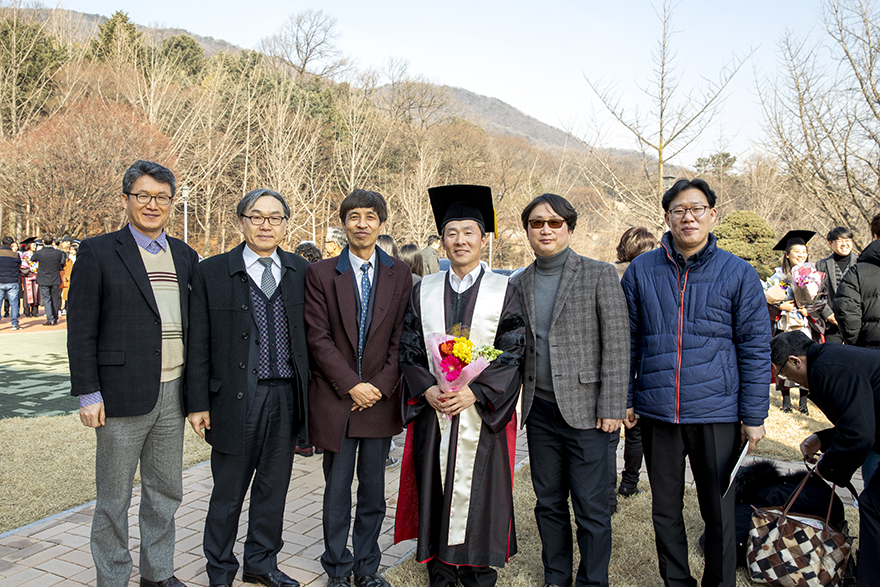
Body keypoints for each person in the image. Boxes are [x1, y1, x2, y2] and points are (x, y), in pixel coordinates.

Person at [620, 178, 771, 587]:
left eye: (697, 208)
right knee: (664, 510)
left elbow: (756, 347)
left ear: (712, 214)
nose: (688, 217)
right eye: (679, 210)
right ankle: (677, 582)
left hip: (718, 412)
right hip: (658, 411)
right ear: (667, 217)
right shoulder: (641, 271)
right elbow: (628, 341)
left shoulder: (738, 273)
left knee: (719, 510)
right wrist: (626, 399)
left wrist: (754, 414)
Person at [67, 160, 200, 587]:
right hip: (121, 394)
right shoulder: (98, 251)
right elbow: (82, 328)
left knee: (165, 494)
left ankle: (158, 575)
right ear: (126, 198)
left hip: (172, 392)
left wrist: (196, 398)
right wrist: (88, 393)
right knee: (113, 498)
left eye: (161, 197)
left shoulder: (185, 254)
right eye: (142, 195)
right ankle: (113, 577)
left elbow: (196, 327)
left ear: (171, 202)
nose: (152, 204)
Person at [395, 184, 524, 587]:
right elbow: (409, 346)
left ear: (483, 239)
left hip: (480, 411)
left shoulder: (506, 290)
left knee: (480, 489)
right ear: (442, 240)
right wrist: (426, 389)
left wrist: (476, 391)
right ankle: (441, 569)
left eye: (469, 232)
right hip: (437, 411)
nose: (460, 240)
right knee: (437, 483)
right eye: (452, 233)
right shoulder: (425, 289)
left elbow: (513, 349)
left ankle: (476, 571)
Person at [186, 189, 309, 587]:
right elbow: (198, 341)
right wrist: (197, 402)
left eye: (275, 218)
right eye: (256, 217)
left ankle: (262, 563)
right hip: (235, 399)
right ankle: (220, 570)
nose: (265, 225)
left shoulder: (300, 271)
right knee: (228, 492)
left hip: (286, 396)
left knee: (273, 489)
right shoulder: (211, 272)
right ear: (241, 221)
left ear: (285, 224)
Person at [513, 193, 629, 587]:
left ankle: (593, 582)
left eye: (554, 223)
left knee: (592, 508)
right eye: (537, 223)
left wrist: (613, 405)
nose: (545, 229)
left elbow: (617, 343)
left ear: (569, 228)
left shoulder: (598, 274)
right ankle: (556, 577)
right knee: (548, 505)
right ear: (527, 230)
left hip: (589, 412)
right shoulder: (519, 281)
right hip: (541, 411)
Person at [305, 189, 412, 587]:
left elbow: (403, 336)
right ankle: (336, 566)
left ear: (381, 223)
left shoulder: (399, 273)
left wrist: (379, 387)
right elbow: (317, 338)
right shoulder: (321, 273)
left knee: (372, 491)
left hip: (379, 401)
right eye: (354, 217)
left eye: (370, 216)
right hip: (337, 399)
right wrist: (352, 385)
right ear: (344, 223)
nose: (362, 223)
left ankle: (366, 566)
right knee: (336, 491)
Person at [770, 330, 880, 587]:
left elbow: (860, 435)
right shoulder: (830, 359)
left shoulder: (826, 369)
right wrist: (822, 438)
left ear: (796, 361)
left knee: (874, 506)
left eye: (783, 372)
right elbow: (863, 418)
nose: (785, 379)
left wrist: (826, 468)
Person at [609, 227, 657, 507]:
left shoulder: (607, 273)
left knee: (610, 432)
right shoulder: (647, 275)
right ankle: (629, 482)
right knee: (634, 429)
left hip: (608, 361)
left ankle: (608, 490)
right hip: (636, 361)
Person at [763, 230, 824, 414]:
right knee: (784, 358)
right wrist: (781, 307)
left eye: (804, 251)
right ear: (787, 254)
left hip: (805, 325)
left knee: (806, 358)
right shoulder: (778, 276)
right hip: (785, 324)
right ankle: (786, 401)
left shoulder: (812, 276)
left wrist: (809, 309)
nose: (801, 254)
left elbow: (822, 300)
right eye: (797, 251)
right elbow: (768, 298)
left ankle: (803, 403)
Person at [834, 212, 880, 350]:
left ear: (875, 236)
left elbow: (846, 311)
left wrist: (855, 343)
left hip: (870, 348)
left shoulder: (857, 272)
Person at [816, 227, 857, 344]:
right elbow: (816, 294)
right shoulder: (821, 265)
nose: (844, 244)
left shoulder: (860, 263)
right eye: (840, 240)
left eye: (848, 240)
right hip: (831, 325)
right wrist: (828, 314)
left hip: (856, 323)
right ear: (830, 243)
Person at [30, 234, 67, 325]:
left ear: (43, 242)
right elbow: (62, 262)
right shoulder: (58, 253)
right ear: (52, 242)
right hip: (55, 278)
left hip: (43, 279)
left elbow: (32, 259)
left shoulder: (39, 253)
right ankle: (55, 317)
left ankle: (50, 318)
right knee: (55, 298)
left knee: (46, 299)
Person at [0, 236, 22, 331]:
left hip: (0, 281)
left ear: (2, 243)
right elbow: (19, 266)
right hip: (12, 281)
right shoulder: (15, 255)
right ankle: (14, 323)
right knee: (14, 303)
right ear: (11, 244)